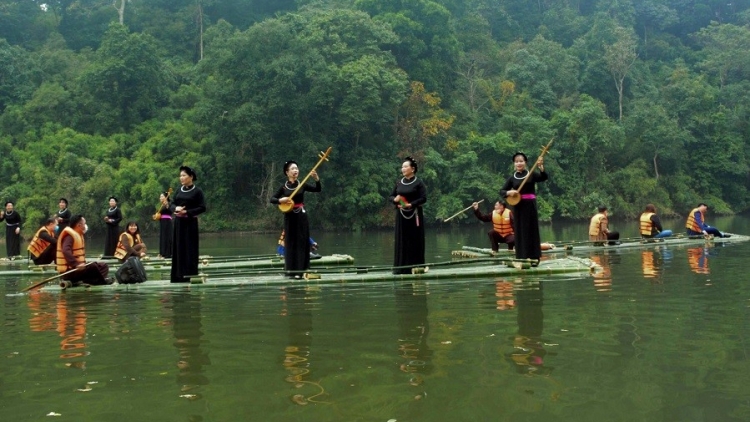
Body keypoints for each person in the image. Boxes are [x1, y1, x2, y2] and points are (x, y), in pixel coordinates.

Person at [270, 160, 321, 278]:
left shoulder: (302, 184)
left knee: (302, 241)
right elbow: (272, 199)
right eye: (293, 169)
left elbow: (317, 189)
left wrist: (316, 179)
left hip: (301, 216)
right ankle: (291, 271)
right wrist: (280, 200)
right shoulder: (283, 187)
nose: (295, 170)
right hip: (289, 217)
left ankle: (302, 270)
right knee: (291, 242)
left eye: (297, 168)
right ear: (287, 172)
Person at [499, 152, 547, 264]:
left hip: (530, 206)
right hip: (518, 207)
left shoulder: (531, 174)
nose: (519, 163)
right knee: (520, 230)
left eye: (521, 161)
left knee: (531, 229)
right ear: (514, 164)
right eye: (516, 162)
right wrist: (509, 192)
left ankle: (535, 256)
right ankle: (522, 256)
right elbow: (502, 191)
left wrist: (541, 167)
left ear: (525, 162)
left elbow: (543, 177)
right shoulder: (512, 177)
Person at [389, 156, 427, 274]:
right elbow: (391, 196)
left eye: (405, 166)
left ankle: (417, 266)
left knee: (415, 240)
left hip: (414, 215)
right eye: (402, 167)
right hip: (401, 215)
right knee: (402, 240)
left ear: (413, 169)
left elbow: (423, 198)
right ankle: (401, 268)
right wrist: (395, 200)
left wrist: (410, 204)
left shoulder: (419, 182)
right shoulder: (399, 182)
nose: (403, 169)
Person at [169, 166, 206, 283]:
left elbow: (202, 207)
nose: (181, 178)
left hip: (190, 223)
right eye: (180, 175)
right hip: (179, 223)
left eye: (184, 175)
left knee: (190, 248)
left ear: (191, 177)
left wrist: (187, 211)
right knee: (178, 248)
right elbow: (172, 204)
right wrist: (176, 208)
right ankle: (178, 276)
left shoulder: (197, 191)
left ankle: (190, 274)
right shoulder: (179, 190)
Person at [56, 215, 112, 286]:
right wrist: (76, 264)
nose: (85, 225)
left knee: (103, 266)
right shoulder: (69, 236)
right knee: (92, 266)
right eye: (84, 223)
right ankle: (100, 281)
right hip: (69, 272)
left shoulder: (78, 234)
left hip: (78, 270)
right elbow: (65, 251)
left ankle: (91, 280)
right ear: (79, 225)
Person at [157, 191, 173, 259]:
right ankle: (162, 253)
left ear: (166, 197)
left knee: (167, 237)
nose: (160, 198)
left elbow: (171, 211)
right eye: (160, 196)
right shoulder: (162, 205)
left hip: (167, 222)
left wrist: (167, 205)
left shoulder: (168, 204)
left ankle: (167, 253)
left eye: (162, 196)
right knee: (163, 237)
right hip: (162, 222)